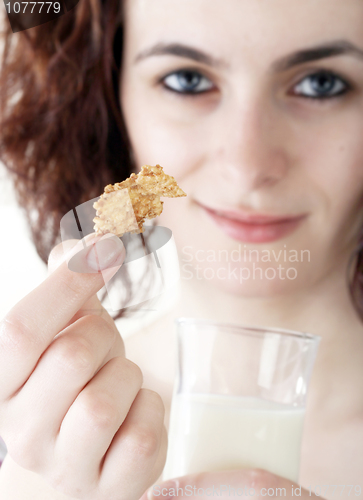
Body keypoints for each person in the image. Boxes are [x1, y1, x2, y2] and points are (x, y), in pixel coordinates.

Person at [0, 0, 363, 498]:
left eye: (321, 83)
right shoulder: (38, 456)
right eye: (187, 80)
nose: (247, 165)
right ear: (107, 98)